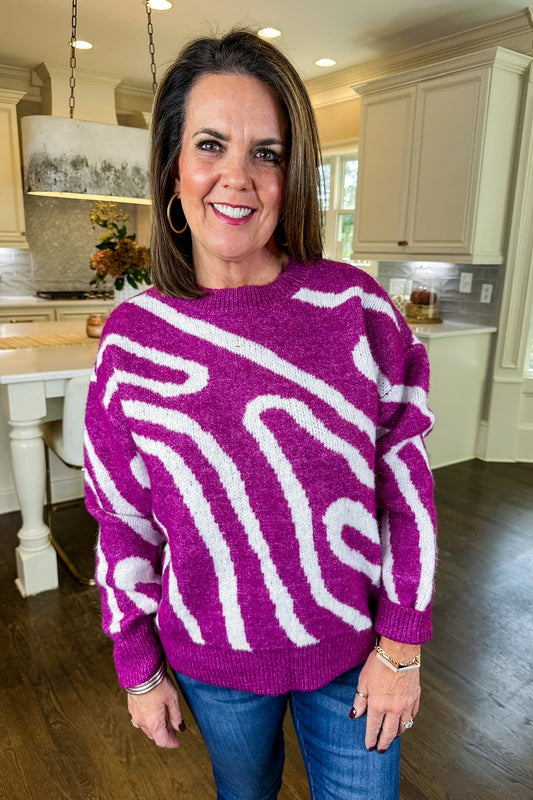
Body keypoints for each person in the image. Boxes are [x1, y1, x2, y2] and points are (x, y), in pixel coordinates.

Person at [84, 28, 437, 800]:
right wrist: (137, 666)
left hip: (355, 652)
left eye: (266, 154)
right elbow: (122, 519)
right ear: (173, 167)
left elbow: (406, 490)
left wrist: (402, 642)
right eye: (209, 145)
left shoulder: (355, 309)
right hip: (214, 661)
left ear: (290, 174)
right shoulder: (134, 339)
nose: (236, 178)